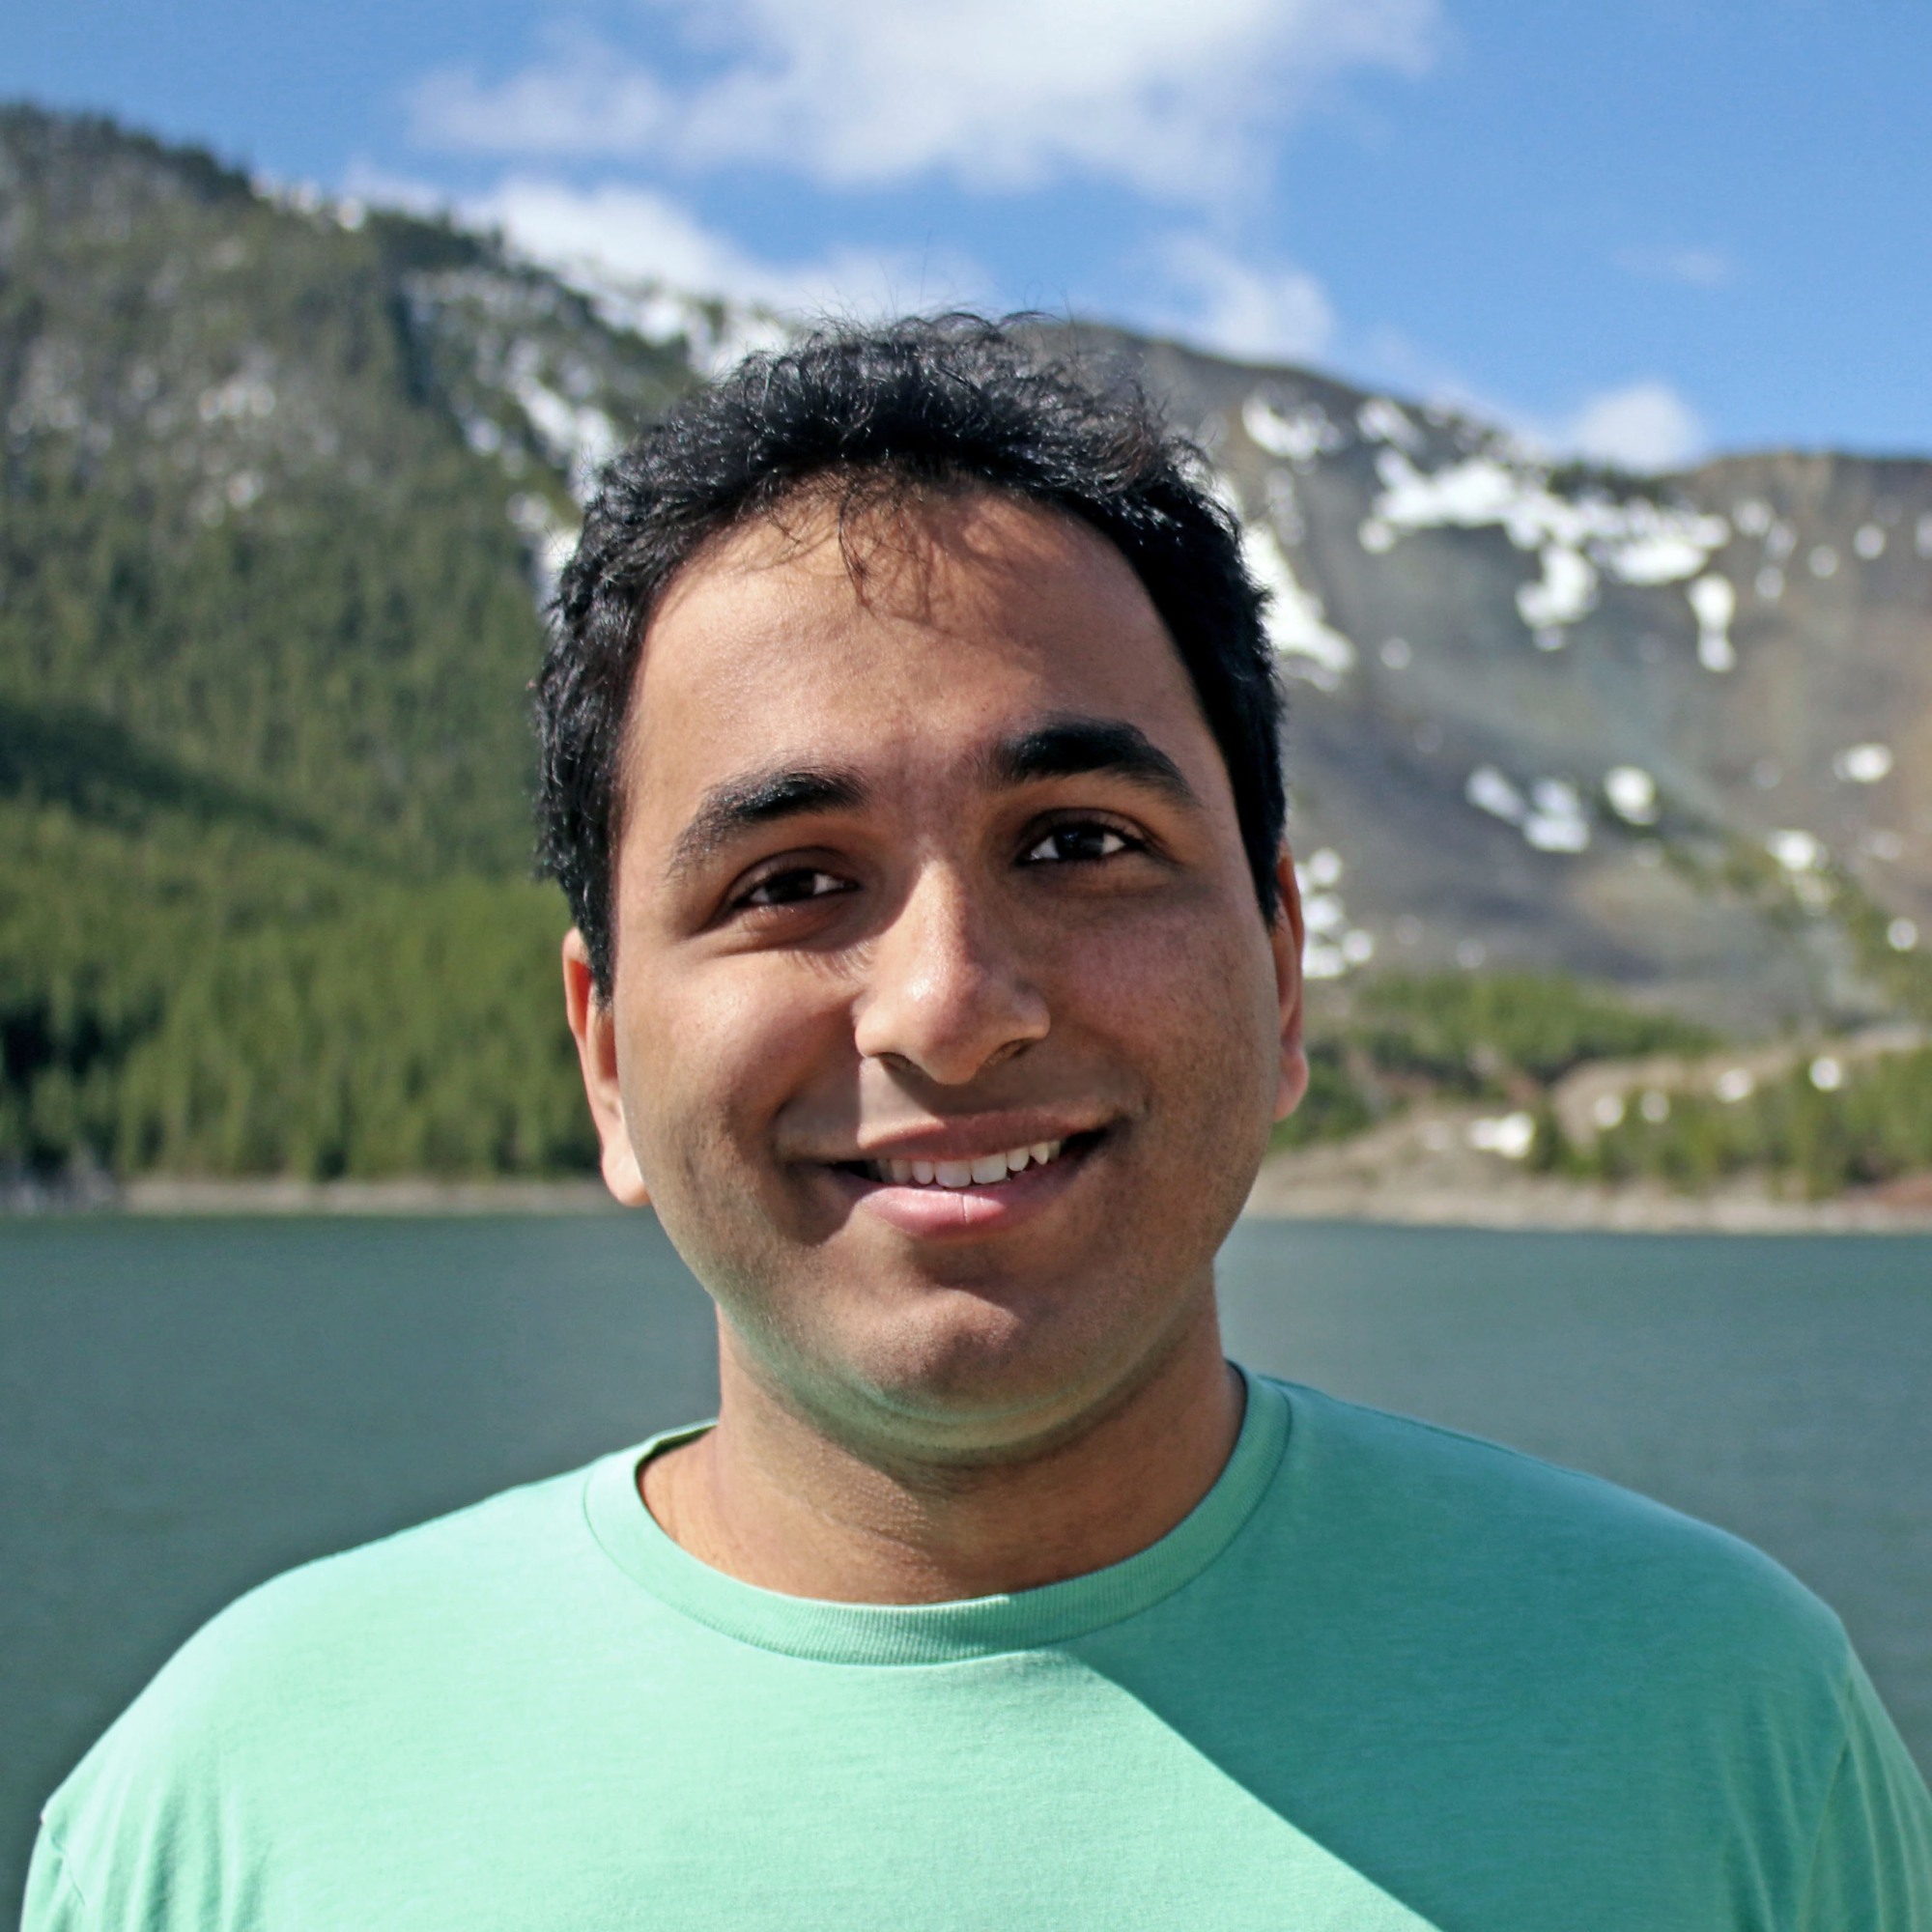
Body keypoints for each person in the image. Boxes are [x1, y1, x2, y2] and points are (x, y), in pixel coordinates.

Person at [25, 316, 1932, 1930]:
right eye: (788, 880)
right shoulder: (229, 1808)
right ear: (605, 1054)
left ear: (1280, 972)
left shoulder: (1716, 1723)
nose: (948, 1002)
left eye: (1079, 845)